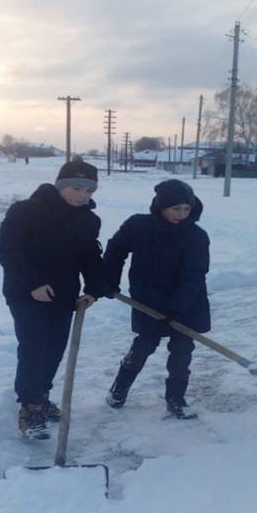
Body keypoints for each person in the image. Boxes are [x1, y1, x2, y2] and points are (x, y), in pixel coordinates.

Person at [0, 160, 105, 440]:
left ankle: (41, 396)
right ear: (61, 185)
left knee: (55, 348)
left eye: (90, 191)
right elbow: (6, 249)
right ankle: (29, 408)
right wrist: (32, 284)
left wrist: (93, 288)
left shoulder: (89, 220)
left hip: (64, 295)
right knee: (34, 347)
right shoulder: (27, 211)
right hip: (26, 293)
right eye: (77, 188)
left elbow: (90, 256)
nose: (83, 195)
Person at [104, 179, 210, 419]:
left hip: (186, 303)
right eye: (176, 209)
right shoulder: (139, 226)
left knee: (182, 351)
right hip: (148, 300)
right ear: (161, 206)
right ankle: (119, 389)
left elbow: (194, 274)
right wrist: (108, 280)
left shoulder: (196, 236)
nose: (182, 215)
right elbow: (115, 249)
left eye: (186, 209)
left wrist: (177, 308)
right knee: (144, 345)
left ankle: (176, 399)